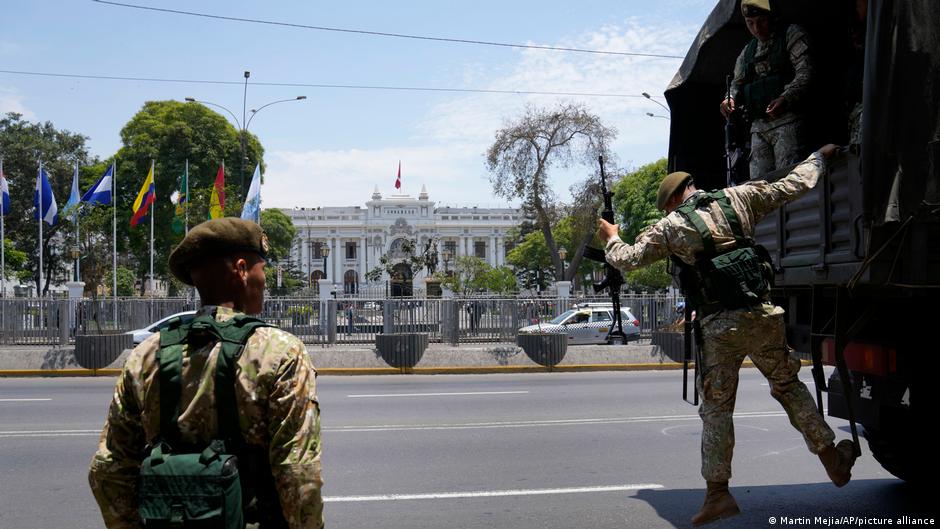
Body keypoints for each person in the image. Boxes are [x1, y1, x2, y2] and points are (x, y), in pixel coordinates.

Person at [597, 144, 857, 527]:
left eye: (667, 207)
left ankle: (717, 494)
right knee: (788, 386)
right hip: (763, 315)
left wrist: (612, 236)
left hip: (720, 327)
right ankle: (832, 460)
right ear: (693, 186)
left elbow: (629, 259)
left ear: (672, 201)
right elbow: (793, 185)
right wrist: (819, 155)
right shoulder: (740, 197)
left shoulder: (670, 227)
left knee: (717, 409)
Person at [88, 218, 324, 529]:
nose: (264, 280)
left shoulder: (146, 354)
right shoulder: (280, 351)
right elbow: (298, 472)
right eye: (261, 269)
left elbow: (108, 468)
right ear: (241, 270)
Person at [720, 0, 813, 180]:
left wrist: (785, 98)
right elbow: (736, 84)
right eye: (750, 23)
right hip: (759, 128)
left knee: (787, 182)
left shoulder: (791, 35)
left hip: (788, 122)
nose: (756, 28)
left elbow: (806, 71)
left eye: (761, 21)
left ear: (772, 17)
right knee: (758, 186)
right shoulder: (748, 52)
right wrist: (729, 99)